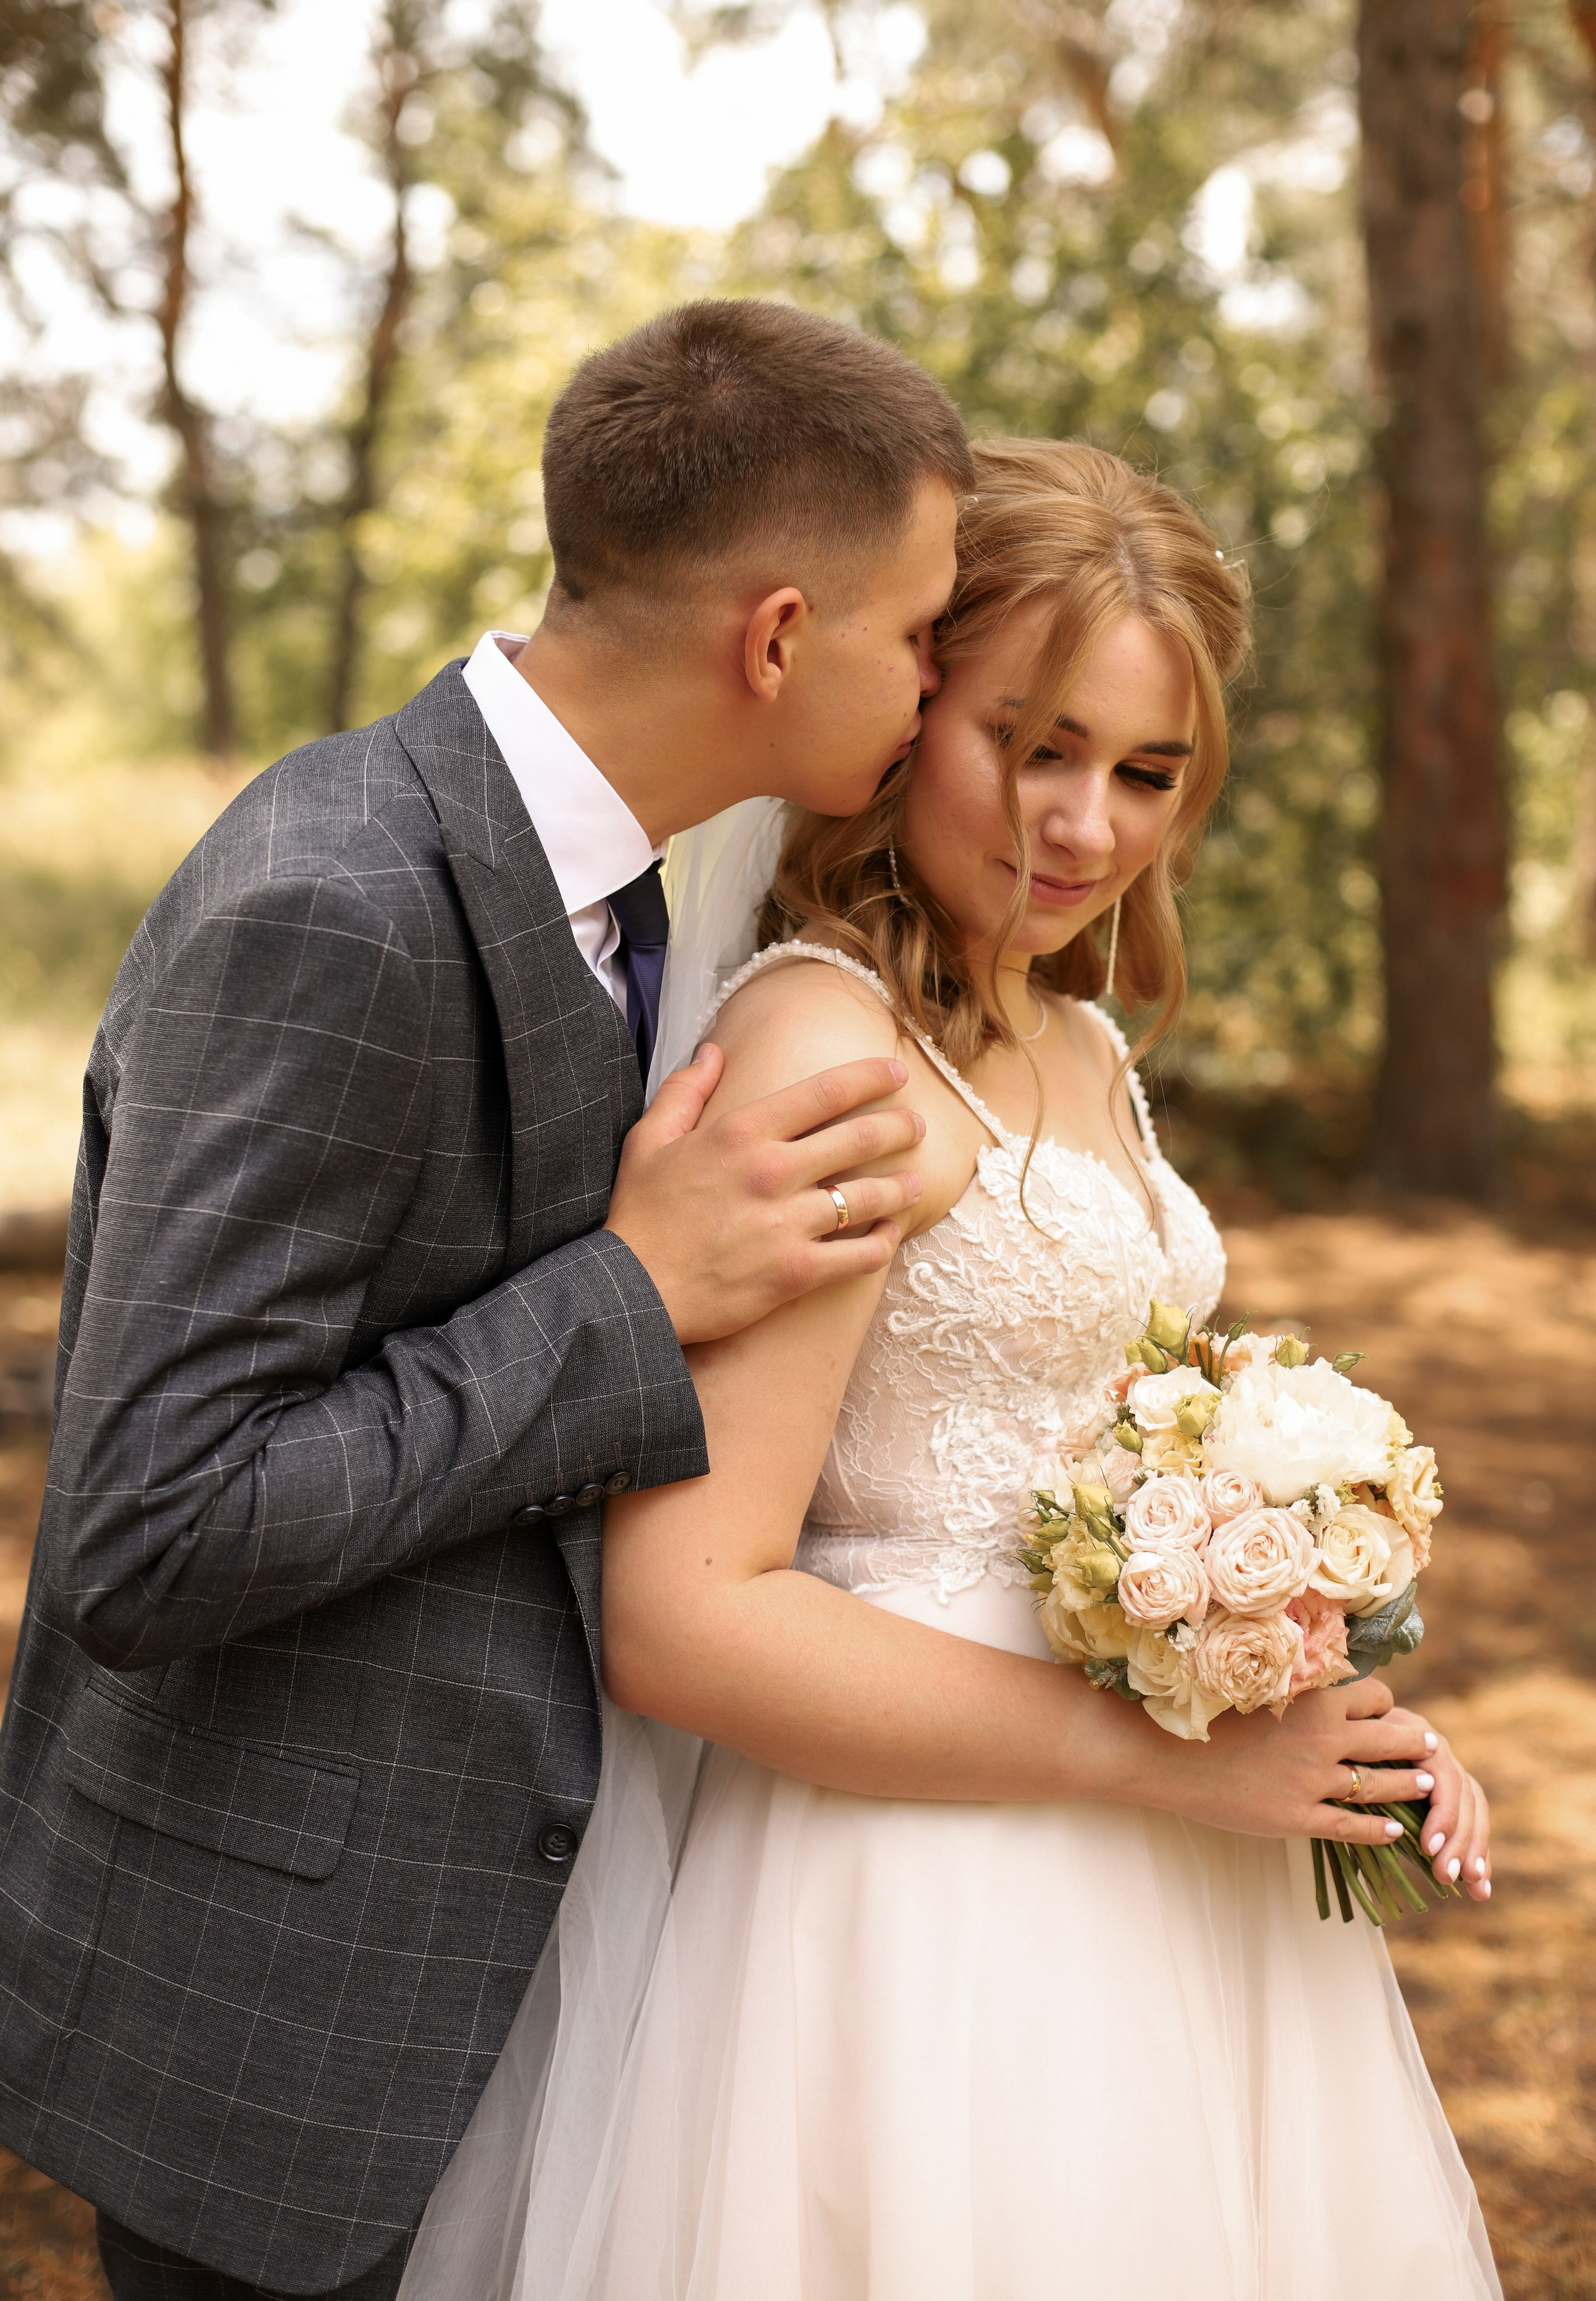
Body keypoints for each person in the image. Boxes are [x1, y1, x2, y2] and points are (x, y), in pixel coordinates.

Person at [403, 439, 1500, 2299]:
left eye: (1146, 771)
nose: (1086, 826)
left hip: (1169, 1862)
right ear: (917, 705)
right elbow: (687, 1616)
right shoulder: (825, 1050)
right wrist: (1154, 1759)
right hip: (924, 1890)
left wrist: (1306, 1680)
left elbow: (1106, 1475)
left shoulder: (1078, 1042)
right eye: (1033, 743)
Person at [0, 299, 976, 2301]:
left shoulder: (622, 887)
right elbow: (146, 1530)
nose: (938, 680)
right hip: (278, 2032)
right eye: (921, 629)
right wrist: (626, 1293)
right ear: (779, 637)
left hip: (499, 1988)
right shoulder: (333, 901)